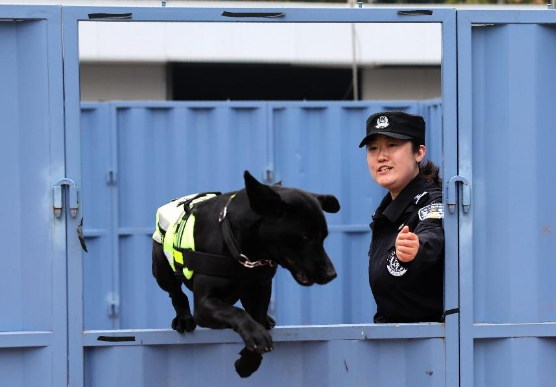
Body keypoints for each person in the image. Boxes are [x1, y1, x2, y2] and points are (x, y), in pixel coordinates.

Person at [359, 111, 444, 323]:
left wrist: (417, 248)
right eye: (373, 148)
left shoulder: (433, 201)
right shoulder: (387, 213)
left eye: (392, 145)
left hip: (429, 345)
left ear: (419, 152)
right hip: (395, 344)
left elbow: (433, 234)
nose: (381, 156)